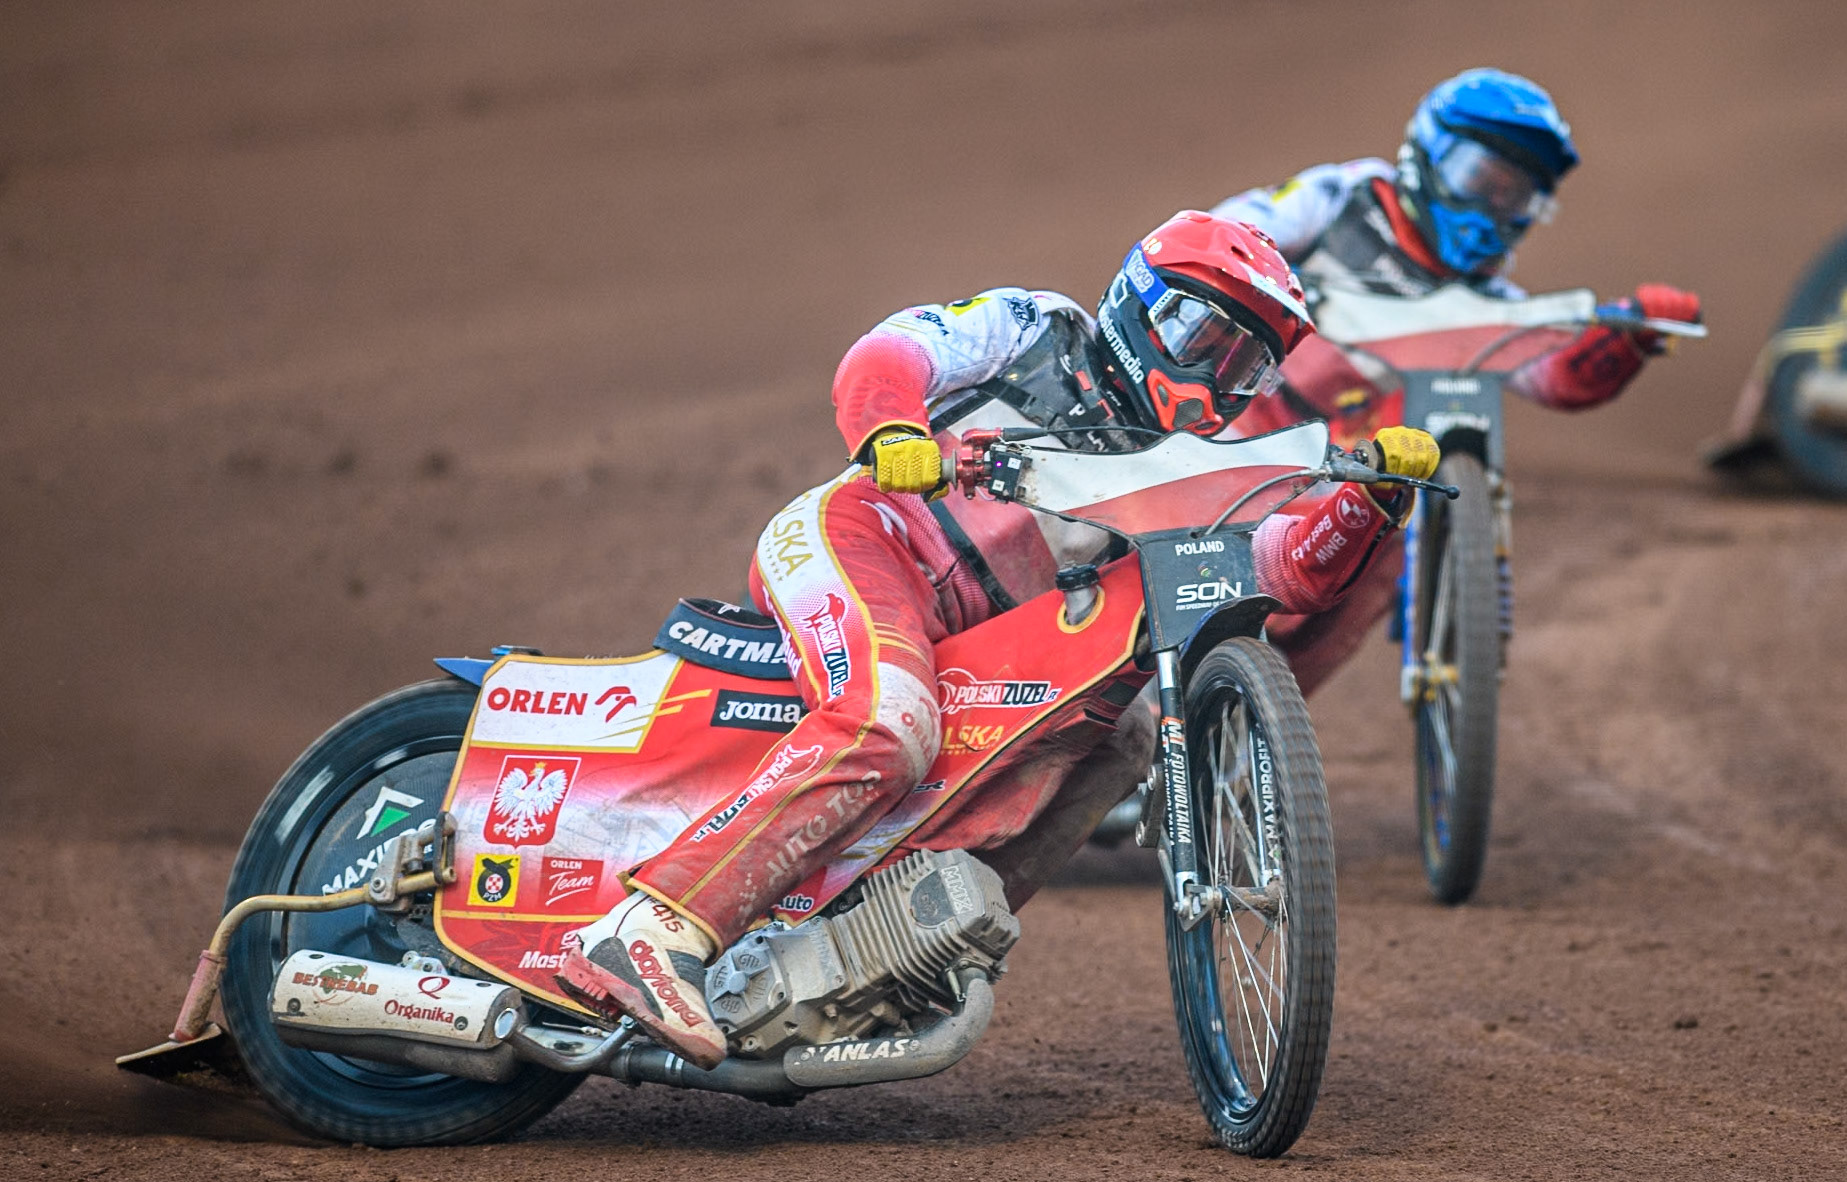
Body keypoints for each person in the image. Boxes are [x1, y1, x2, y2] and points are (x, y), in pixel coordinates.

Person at [556, 211, 1441, 1067]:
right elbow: (892, 350)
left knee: (1126, 735)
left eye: (1246, 363)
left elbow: (1283, 568)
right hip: (866, 538)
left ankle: (897, 951)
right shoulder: (1038, 328)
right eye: (1204, 336)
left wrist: (1368, 504)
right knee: (888, 717)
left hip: (982, 635)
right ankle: (653, 926)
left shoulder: (1201, 461)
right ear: (1143, 302)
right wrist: (893, 428)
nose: (1217, 375)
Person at [1208, 67, 1703, 692]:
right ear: (1428, 155)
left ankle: (1249, 729)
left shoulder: (1489, 300)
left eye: (1516, 196)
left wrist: (1628, 339)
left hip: (1346, 472)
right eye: (1480, 180)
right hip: (1235, 437)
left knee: (1384, 539)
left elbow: (1557, 379)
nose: (1494, 209)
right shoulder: (1344, 201)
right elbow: (1222, 240)